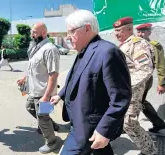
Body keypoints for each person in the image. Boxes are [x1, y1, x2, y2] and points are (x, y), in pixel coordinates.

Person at [50, 10, 132, 155]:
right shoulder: (84, 50)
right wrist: (61, 95)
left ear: (87, 28)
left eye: (71, 32)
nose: (68, 37)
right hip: (79, 121)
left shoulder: (107, 52)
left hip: (90, 127)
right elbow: (76, 79)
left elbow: (120, 98)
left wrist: (104, 130)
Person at [113, 17, 157, 155]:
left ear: (129, 29)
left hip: (132, 91)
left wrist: (124, 86)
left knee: (129, 124)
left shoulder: (138, 44)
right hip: (122, 91)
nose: (116, 33)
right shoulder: (123, 44)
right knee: (121, 120)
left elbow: (145, 69)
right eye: (115, 30)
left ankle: (150, 151)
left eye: (119, 30)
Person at [17, 22, 60, 154]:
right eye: (32, 32)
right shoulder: (37, 48)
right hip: (34, 90)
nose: (32, 34)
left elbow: (54, 74)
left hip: (44, 93)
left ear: (43, 33)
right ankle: (52, 125)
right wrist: (25, 77)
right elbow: (34, 68)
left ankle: (52, 142)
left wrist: (46, 96)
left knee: (42, 118)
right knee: (30, 107)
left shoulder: (50, 49)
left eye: (34, 32)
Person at [136, 23, 165, 133]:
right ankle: (158, 123)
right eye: (139, 32)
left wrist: (162, 83)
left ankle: (129, 125)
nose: (140, 34)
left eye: (143, 32)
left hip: (145, 79)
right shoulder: (136, 45)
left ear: (149, 32)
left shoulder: (154, 46)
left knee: (136, 102)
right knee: (139, 101)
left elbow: (160, 64)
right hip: (134, 79)